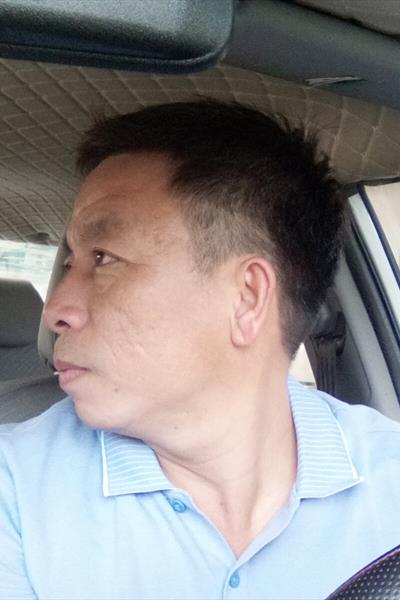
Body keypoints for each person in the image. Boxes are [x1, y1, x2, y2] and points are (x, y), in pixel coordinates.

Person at [1, 100, 400, 600]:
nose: (55, 309)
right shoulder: (14, 490)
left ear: (246, 298)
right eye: (70, 263)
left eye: (103, 259)